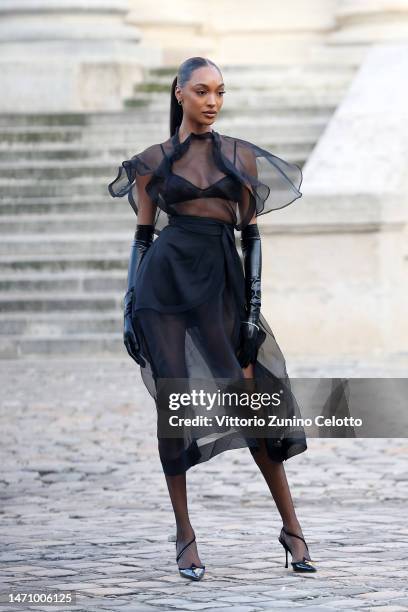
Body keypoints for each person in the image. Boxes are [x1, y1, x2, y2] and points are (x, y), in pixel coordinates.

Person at [108, 56, 316, 581]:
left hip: (221, 285)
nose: (213, 102)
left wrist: (250, 313)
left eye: (220, 92)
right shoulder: (152, 161)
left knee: (253, 407)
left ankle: (292, 528)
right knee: (174, 411)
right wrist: (130, 306)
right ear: (179, 94)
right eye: (202, 91)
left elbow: (252, 238)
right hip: (164, 287)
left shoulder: (239, 156)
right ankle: (185, 535)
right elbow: (142, 235)